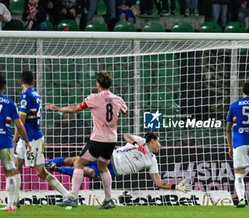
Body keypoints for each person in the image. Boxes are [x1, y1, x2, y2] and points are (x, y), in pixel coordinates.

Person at [46, 71, 129, 209]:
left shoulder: (94, 98)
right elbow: (125, 111)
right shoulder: (117, 99)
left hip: (98, 138)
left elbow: (75, 109)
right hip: (112, 139)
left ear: (98, 84)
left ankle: (73, 197)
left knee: (79, 162)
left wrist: (57, 108)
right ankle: (108, 200)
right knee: (102, 167)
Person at [45, 133, 192, 193]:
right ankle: (48, 163)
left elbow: (158, 183)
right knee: (76, 160)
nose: (160, 146)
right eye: (158, 142)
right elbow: (126, 135)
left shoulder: (152, 161)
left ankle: (55, 168)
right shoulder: (141, 141)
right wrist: (136, 144)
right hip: (109, 157)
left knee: (88, 172)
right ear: (152, 141)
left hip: (112, 171)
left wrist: (175, 186)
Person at [13, 71, 70, 204]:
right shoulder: (36, 94)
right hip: (26, 137)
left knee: (40, 172)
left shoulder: (26, 96)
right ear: (33, 82)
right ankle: (14, 202)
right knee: (16, 167)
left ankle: (67, 195)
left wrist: (13, 140)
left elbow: (20, 122)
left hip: (32, 139)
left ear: (21, 82)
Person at [0, 74, 31, 212]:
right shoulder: (10, 103)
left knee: (10, 172)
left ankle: (11, 204)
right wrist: (26, 141)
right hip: (5, 141)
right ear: (4, 87)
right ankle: (11, 204)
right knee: (10, 172)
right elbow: (19, 125)